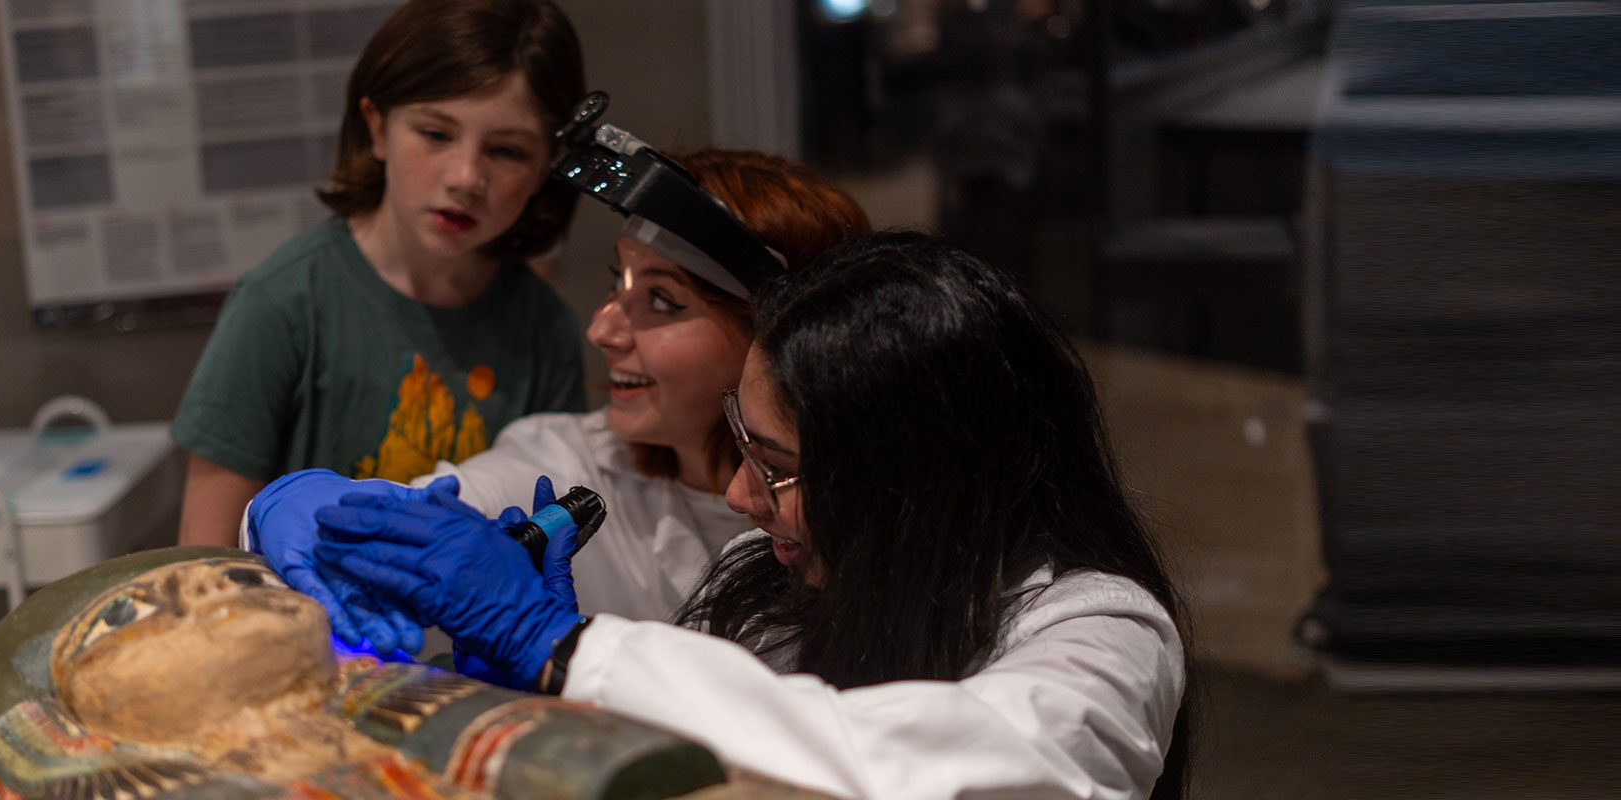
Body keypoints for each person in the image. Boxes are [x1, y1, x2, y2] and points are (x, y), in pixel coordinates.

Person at [313, 231, 1194, 799]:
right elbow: (716, 759)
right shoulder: (763, 578)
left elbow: (935, 767)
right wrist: (545, 694)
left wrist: (570, 652)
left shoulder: (1104, 631)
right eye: (743, 447)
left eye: (776, 469)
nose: (738, 498)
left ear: (919, 486)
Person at [245, 149, 872, 648]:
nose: (602, 329)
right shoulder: (570, 462)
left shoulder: (880, 518)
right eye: (616, 284)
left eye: (662, 300)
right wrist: (304, 505)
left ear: (784, 338)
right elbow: (424, 519)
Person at [173, 0, 590, 548]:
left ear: (546, 168)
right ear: (376, 128)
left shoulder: (545, 326)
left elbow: (552, 530)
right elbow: (204, 558)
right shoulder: (282, 304)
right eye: (437, 134)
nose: (466, 178)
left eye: (507, 150)